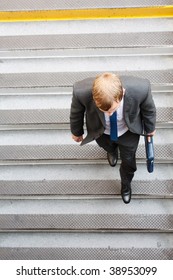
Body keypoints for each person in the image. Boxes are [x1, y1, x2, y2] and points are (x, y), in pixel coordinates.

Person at [70, 73, 156, 204]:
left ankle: (126, 185)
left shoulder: (141, 89)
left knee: (128, 161)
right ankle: (111, 151)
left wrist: (150, 129)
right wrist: (77, 132)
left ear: (122, 93)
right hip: (102, 131)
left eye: (112, 109)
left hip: (128, 132)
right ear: (94, 97)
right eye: (104, 110)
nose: (109, 114)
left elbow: (149, 110)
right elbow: (76, 112)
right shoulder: (80, 91)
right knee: (106, 145)